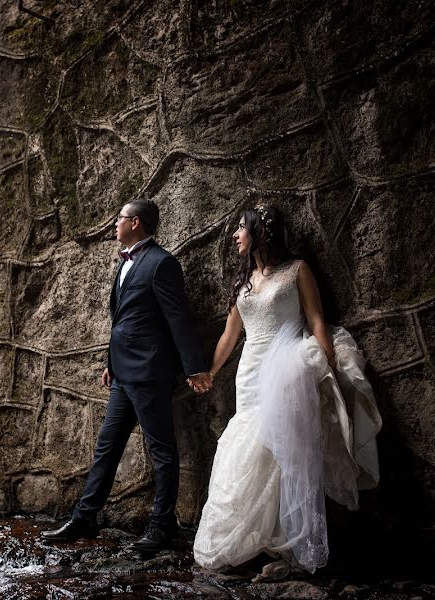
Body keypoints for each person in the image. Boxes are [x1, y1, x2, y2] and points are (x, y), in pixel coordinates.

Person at [191, 205, 382, 581]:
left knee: (286, 454)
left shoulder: (297, 270)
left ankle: (288, 546)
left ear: (261, 232)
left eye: (241, 228)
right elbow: (230, 336)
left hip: (289, 369)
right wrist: (210, 372)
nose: (235, 235)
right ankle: (249, 540)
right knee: (248, 446)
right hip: (250, 373)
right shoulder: (243, 281)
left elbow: (315, 320)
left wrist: (323, 365)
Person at [41, 198, 213, 552]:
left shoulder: (162, 263)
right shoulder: (125, 263)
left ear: (135, 223)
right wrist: (110, 362)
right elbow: (123, 321)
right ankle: (85, 517)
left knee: (162, 451)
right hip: (122, 374)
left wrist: (194, 367)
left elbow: (177, 319)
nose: (114, 223)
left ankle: (160, 527)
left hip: (150, 374)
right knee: (107, 447)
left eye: (119, 217)